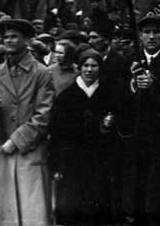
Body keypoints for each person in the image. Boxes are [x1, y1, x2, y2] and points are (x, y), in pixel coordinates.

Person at [0, 18, 55, 226]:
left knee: (32, 211)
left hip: (29, 149)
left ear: (26, 40)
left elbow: (44, 114)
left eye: (14, 37)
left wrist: (17, 140)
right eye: (5, 37)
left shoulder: (41, 72)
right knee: (0, 212)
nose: (9, 41)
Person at [115, 14, 160, 225]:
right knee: (135, 177)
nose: (151, 37)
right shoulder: (129, 61)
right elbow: (117, 94)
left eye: (157, 32)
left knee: (158, 180)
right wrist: (134, 86)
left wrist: (155, 86)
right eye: (147, 32)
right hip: (135, 131)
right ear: (140, 35)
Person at [49, 49, 117, 225]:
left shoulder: (108, 94)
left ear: (100, 68)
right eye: (85, 65)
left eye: (94, 66)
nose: (89, 70)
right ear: (79, 68)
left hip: (99, 158)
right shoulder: (66, 96)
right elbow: (56, 132)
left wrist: (107, 125)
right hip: (72, 159)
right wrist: (56, 162)